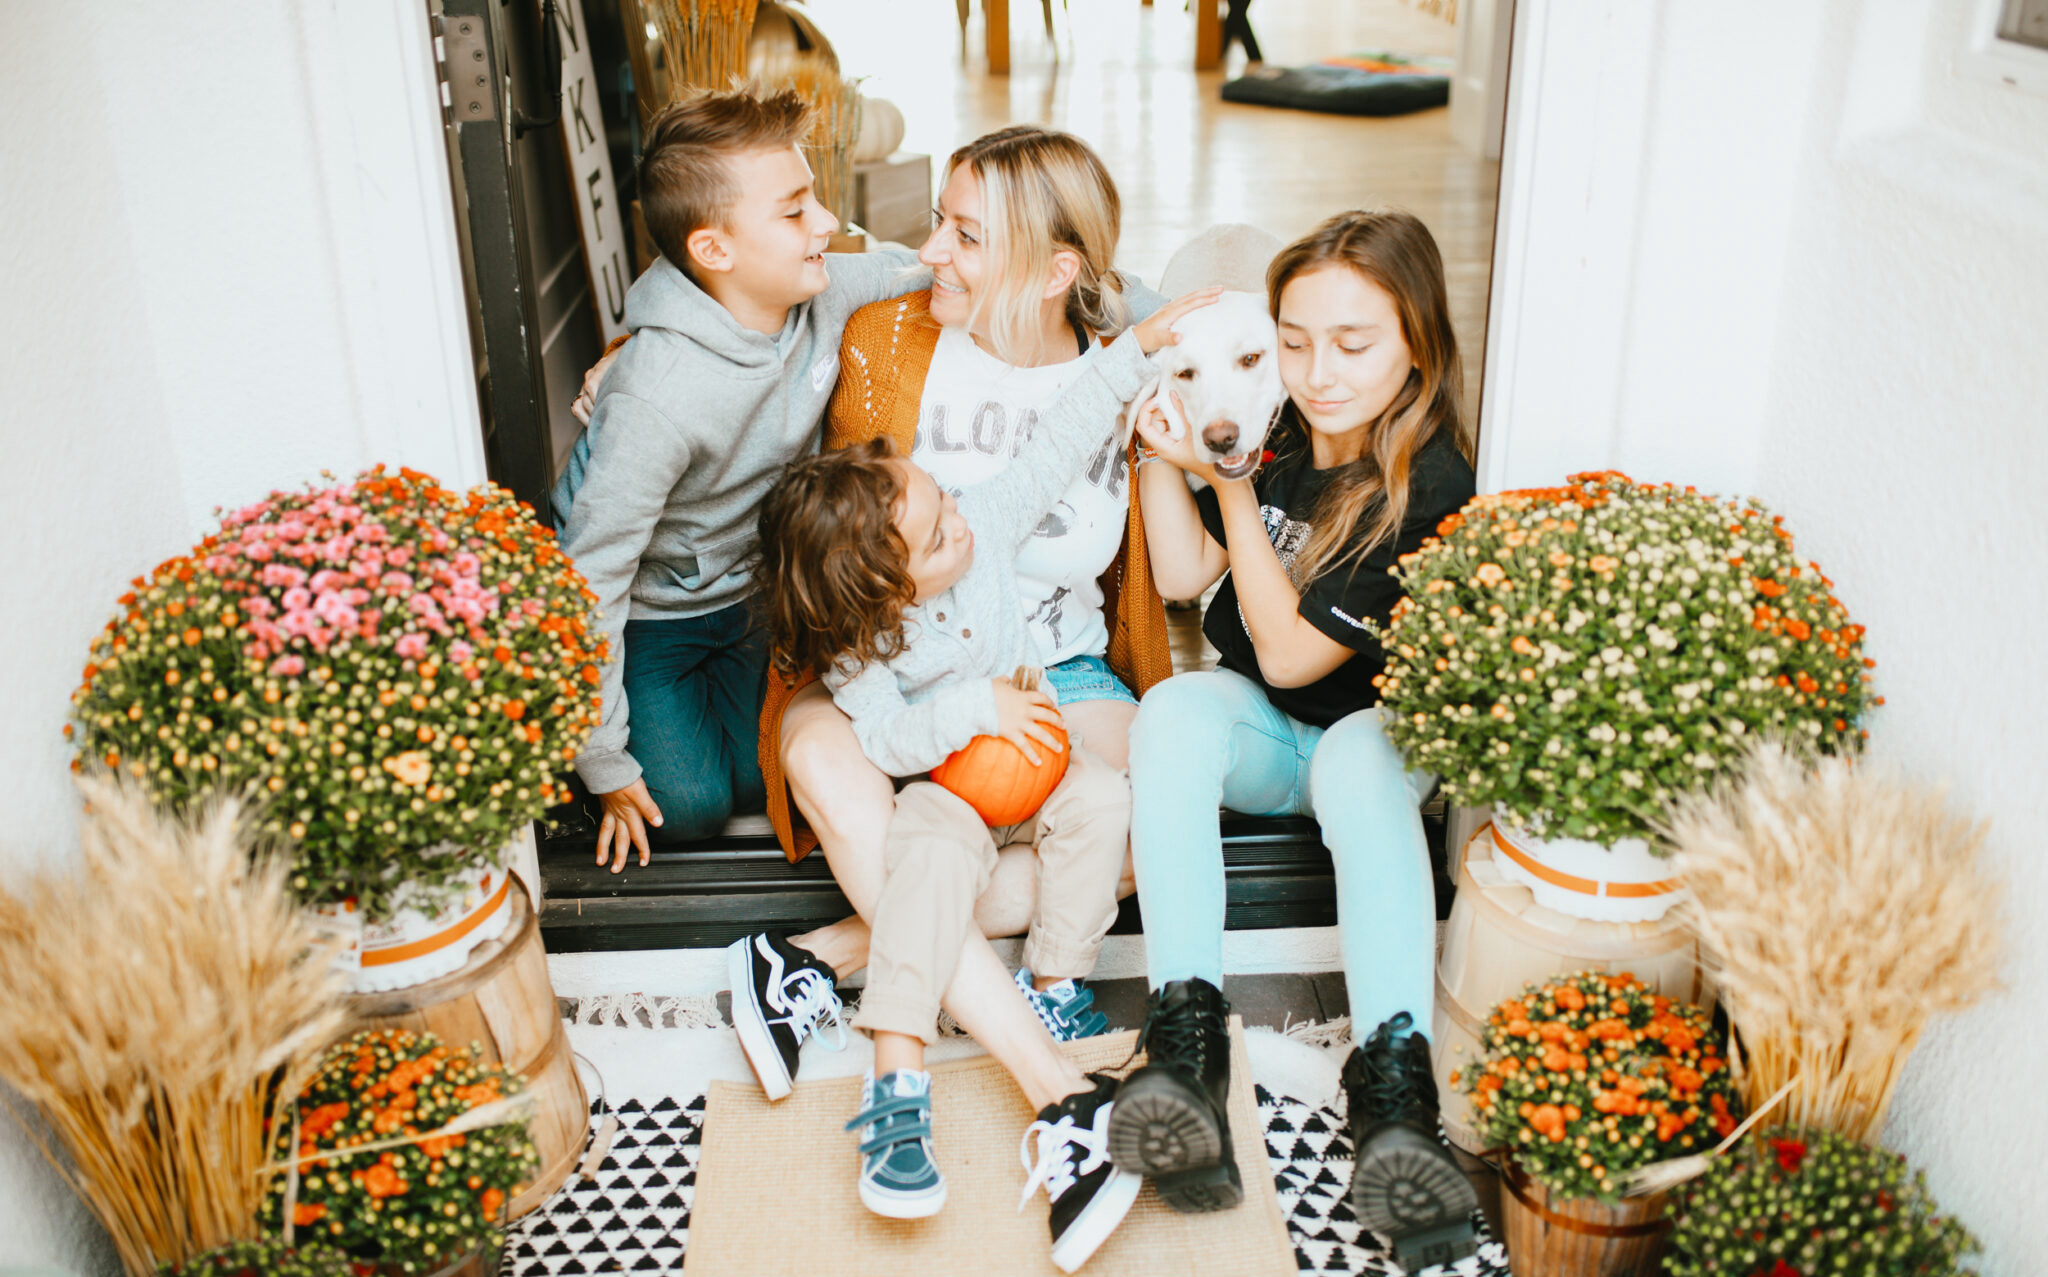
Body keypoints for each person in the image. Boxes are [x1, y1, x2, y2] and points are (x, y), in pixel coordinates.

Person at [724, 128, 1177, 1118]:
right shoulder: (882, 337)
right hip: (881, 663)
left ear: (1056, 269)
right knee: (830, 766)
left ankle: (816, 957)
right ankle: (1037, 1072)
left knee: (1149, 821)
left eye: (964, 235)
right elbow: (741, 316)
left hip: (1054, 664)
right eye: (939, 221)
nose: (929, 249)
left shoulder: (1118, 374)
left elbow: (1171, 328)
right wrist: (636, 348)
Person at [747, 293, 1204, 1264]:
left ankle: (1053, 980)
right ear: (888, 588)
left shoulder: (984, 525)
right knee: (929, 850)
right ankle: (896, 1083)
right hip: (951, 787)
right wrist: (975, 712)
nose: (958, 513)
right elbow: (891, 740)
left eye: (944, 498)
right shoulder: (861, 656)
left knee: (1104, 801)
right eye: (937, 528)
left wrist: (1133, 354)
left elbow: (1057, 438)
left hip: (1038, 755)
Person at [1106, 210, 1482, 1272]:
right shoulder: (1268, 426)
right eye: (1295, 339)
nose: (1316, 372)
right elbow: (1183, 582)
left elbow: (1281, 654)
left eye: (1351, 344)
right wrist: (1156, 455)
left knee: (1363, 752)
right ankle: (1184, 1046)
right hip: (1273, 741)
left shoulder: (1426, 483)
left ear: (1416, 340)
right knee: (1174, 707)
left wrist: (1221, 481)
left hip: (1366, 746)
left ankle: (1394, 1091)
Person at [550, 87, 927, 867]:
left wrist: (1150, 313)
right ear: (714, 251)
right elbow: (593, 576)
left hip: (752, 593)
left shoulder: (817, 295)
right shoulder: (657, 394)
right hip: (650, 615)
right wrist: (607, 764)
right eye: (793, 212)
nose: (826, 222)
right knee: (686, 809)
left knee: (768, 786)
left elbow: (928, 269)